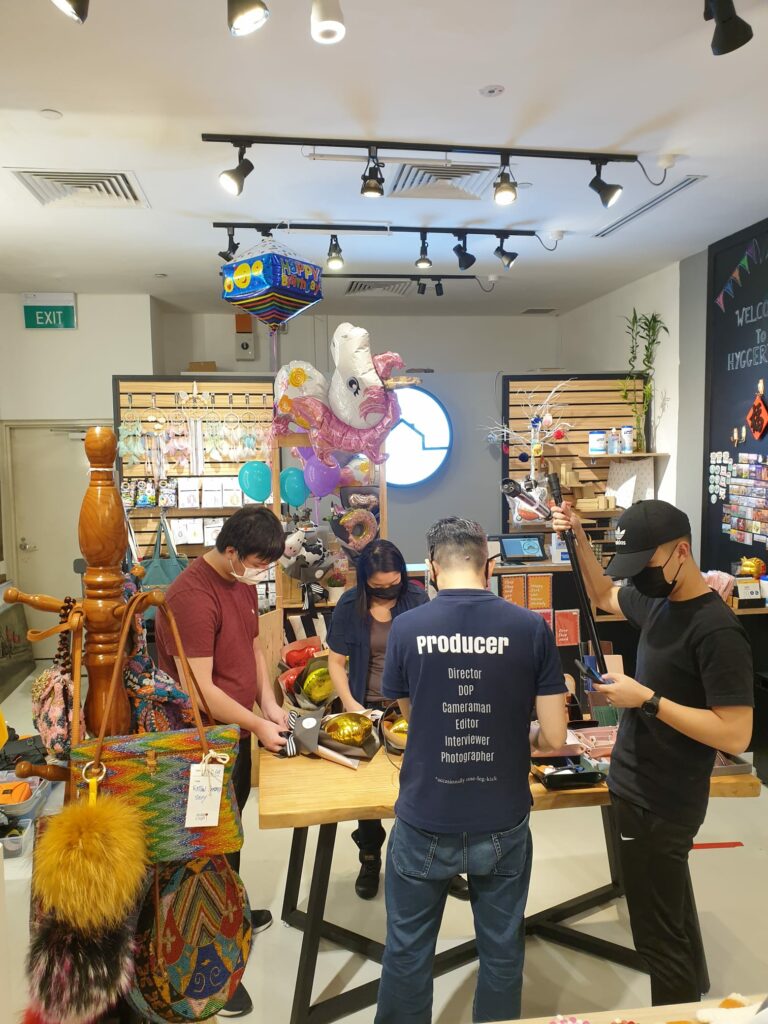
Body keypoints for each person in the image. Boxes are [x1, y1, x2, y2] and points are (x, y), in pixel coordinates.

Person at [551, 498, 754, 1006]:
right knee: (671, 912)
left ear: (681, 552)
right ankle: (694, 991)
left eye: (646, 564)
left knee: (657, 940)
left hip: (662, 798)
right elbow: (601, 593)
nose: (638, 576)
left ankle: (677, 1011)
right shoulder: (658, 601)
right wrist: (576, 532)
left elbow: (736, 734)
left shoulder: (715, 631)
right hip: (636, 783)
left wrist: (648, 700)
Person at [374, 517, 567, 1024]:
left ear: (432, 567)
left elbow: (420, 722)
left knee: (408, 951)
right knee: (503, 951)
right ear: (491, 564)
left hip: (425, 817)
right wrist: (512, 731)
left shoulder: (408, 628)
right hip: (502, 819)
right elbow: (554, 738)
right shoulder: (531, 628)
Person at [155, 505, 288, 1019]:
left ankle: (229, 913)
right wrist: (256, 724)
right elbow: (201, 690)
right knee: (202, 850)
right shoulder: (190, 595)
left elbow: (252, 650)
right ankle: (210, 971)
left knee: (229, 837)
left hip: (235, 733)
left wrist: (269, 704)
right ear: (230, 550)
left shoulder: (242, 583)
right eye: (254, 561)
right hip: (201, 743)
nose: (259, 571)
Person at [327, 539, 438, 899]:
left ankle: (439, 861)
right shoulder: (348, 605)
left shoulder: (417, 599)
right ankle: (370, 855)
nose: (388, 592)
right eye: (378, 587)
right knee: (369, 792)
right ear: (364, 582)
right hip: (366, 706)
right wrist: (351, 704)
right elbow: (336, 663)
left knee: (424, 784)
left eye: (394, 583)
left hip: (412, 706)